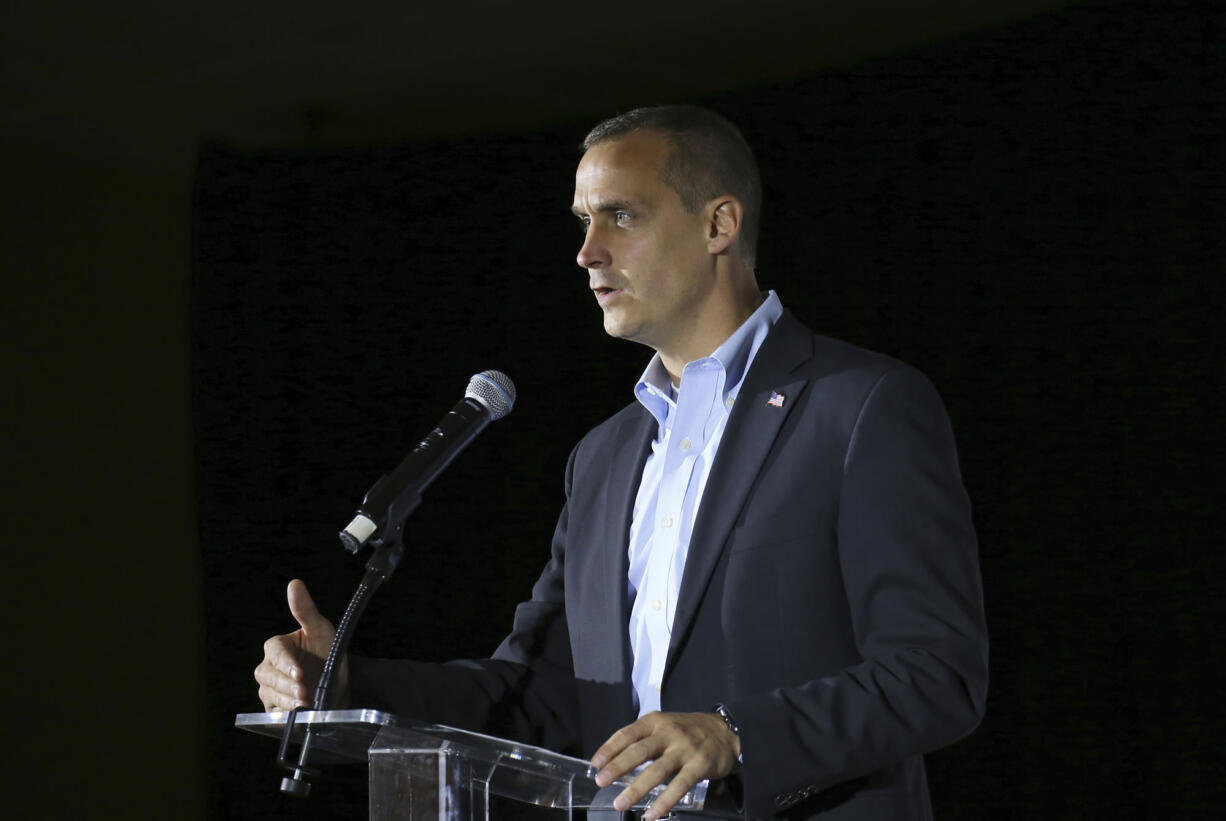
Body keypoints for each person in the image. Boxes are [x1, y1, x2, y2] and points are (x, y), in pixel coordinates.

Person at [255, 105, 988, 821]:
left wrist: (736, 734)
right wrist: (345, 678)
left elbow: (936, 673)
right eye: (583, 222)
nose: (587, 251)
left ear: (718, 224)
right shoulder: (602, 457)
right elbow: (542, 691)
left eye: (620, 216)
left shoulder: (859, 406)